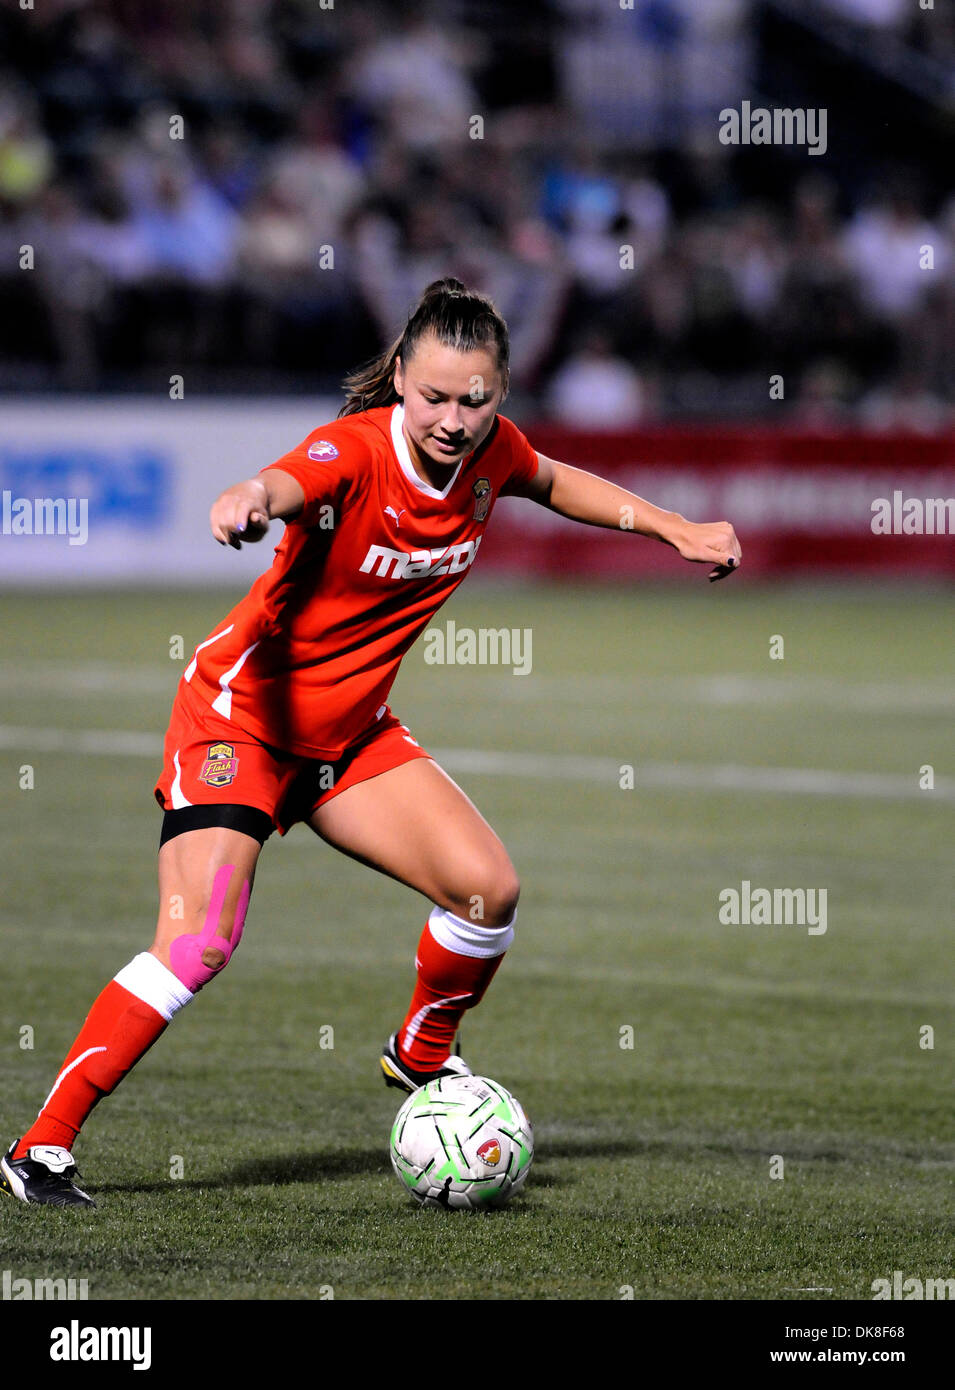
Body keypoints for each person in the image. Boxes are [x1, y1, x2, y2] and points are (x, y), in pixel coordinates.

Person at [1, 278, 741, 1208]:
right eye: (432, 395)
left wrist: (673, 528)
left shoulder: (493, 454)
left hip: (347, 741)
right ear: (400, 377)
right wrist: (246, 497)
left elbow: (553, 481)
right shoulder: (353, 452)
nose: (452, 418)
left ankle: (419, 1052)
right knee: (198, 943)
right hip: (242, 721)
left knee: (487, 891)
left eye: (474, 400)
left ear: (500, 395)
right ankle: (43, 1146)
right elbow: (284, 478)